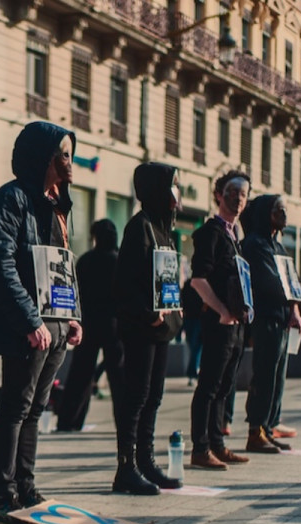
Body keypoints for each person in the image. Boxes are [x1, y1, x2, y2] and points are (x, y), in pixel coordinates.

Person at [0, 121, 82, 523]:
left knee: (36, 409)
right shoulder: (11, 199)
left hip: (56, 323)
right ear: (45, 157)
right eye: (63, 154)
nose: (70, 161)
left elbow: (64, 265)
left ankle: (26, 487)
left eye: (70, 152)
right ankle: (2, 495)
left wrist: (72, 315)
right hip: (28, 325)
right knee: (15, 407)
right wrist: (30, 320)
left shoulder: (60, 204)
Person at [112, 163, 184, 494]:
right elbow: (124, 284)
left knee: (154, 396)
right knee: (137, 396)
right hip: (142, 328)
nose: (176, 196)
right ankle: (126, 467)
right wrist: (148, 313)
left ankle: (147, 461)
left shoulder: (163, 230)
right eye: (171, 187)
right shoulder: (138, 227)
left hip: (161, 329)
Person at [188, 171, 253, 470]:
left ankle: (217, 444)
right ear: (218, 194)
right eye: (232, 192)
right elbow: (198, 280)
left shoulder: (235, 235)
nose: (238, 199)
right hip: (219, 324)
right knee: (210, 386)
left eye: (243, 194)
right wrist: (221, 311)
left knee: (225, 387)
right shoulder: (211, 232)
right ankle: (200, 448)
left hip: (236, 326)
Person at [239, 193, 301, 455]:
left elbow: (293, 283)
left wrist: (295, 309)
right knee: (265, 374)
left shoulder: (277, 246)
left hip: (282, 319)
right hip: (266, 317)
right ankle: (255, 430)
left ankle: (267, 428)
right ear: (266, 213)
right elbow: (271, 283)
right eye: (279, 210)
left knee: (277, 377)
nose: (284, 215)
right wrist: (292, 303)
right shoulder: (255, 245)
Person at [57, 219, 124, 433]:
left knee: (80, 375)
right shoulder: (120, 260)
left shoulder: (85, 261)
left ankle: (70, 420)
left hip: (89, 323)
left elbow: (76, 293)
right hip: (115, 324)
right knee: (119, 377)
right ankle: (125, 423)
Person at [181, 278, 203, 386]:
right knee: (196, 348)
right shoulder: (202, 284)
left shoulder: (187, 284)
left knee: (194, 347)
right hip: (197, 319)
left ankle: (192, 372)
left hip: (189, 318)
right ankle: (193, 372)